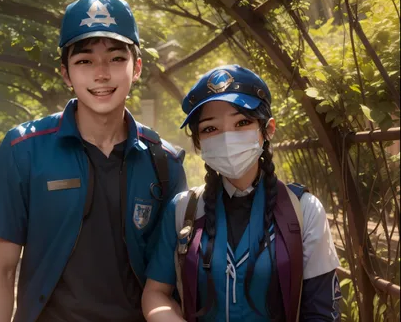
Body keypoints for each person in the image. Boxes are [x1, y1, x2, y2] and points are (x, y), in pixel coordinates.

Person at [0, 0, 187, 322]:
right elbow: (0, 271)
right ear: (65, 73)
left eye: (116, 59)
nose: (101, 74)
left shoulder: (165, 162)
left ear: (137, 67)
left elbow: (169, 282)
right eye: (85, 61)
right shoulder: (24, 149)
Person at [143, 65, 341, 322]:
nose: (227, 138)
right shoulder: (183, 209)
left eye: (242, 123)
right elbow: (156, 292)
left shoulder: (303, 210)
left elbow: (322, 312)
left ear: (267, 130)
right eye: (210, 129)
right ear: (198, 143)